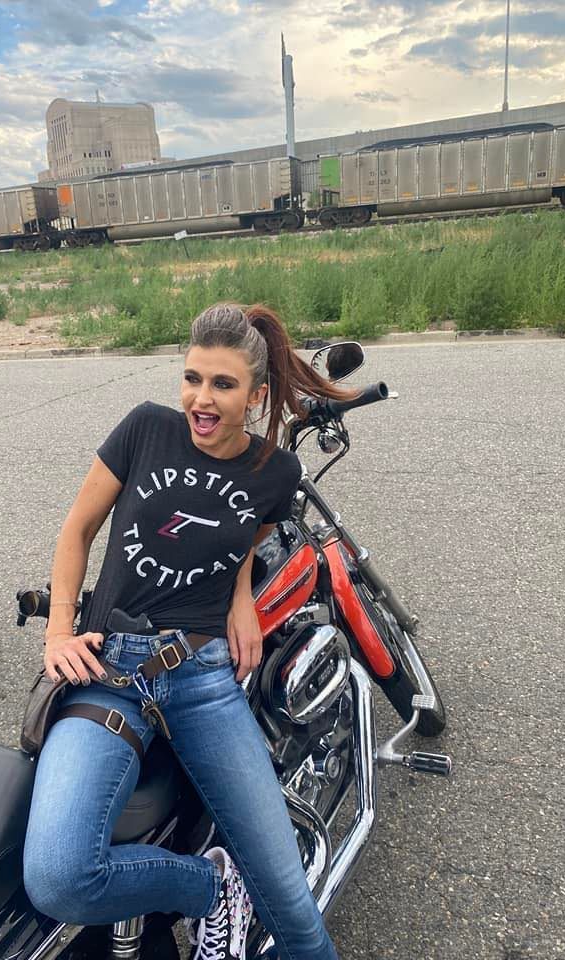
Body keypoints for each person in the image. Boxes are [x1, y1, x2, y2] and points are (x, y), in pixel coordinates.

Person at [23, 303, 353, 960]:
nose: (202, 400)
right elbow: (77, 531)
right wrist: (58, 633)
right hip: (110, 669)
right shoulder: (146, 429)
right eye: (193, 378)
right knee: (58, 878)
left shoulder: (276, 473)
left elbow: (247, 542)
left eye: (223, 385)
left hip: (203, 680)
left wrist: (237, 598)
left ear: (257, 396)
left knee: (290, 902)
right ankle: (210, 886)